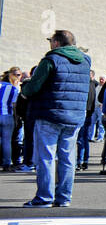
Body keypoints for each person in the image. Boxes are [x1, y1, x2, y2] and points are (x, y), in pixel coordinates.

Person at [20, 30, 92, 208]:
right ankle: (64, 198)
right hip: (74, 115)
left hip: (50, 114)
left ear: (57, 43)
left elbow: (33, 87)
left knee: (46, 157)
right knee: (68, 158)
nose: (50, 44)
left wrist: (25, 89)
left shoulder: (50, 59)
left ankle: (44, 197)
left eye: (51, 41)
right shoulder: (85, 61)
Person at [1, 66, 21, 171]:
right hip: (8, 115)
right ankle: (6, 164)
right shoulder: (14, 88)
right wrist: (16, 118)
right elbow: (14, 105)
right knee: (6, 141)